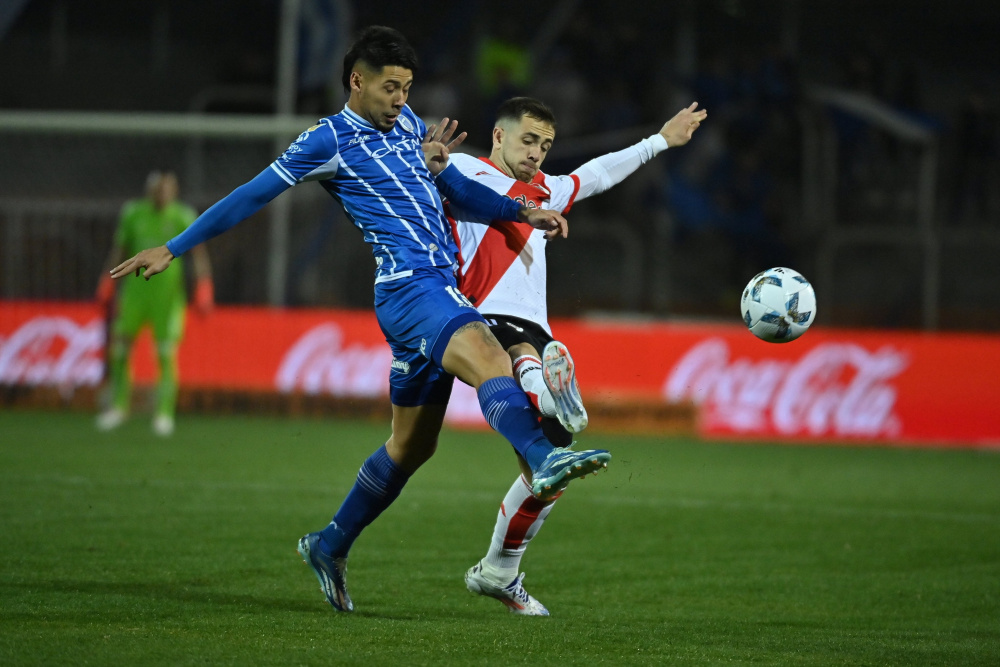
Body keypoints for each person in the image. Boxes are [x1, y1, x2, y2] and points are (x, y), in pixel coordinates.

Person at [109, 26, 612, 613]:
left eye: (407, 87)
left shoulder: (406, 127)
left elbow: (458, 193)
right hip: (410, 288)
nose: (402, 99)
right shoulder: (326, 141)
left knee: (411, 445)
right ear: (357, 81)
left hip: (436, 290)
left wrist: (521, 209)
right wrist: (175, 245)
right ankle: (544, 455)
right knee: (488, 353)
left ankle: (329, 543)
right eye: (392, 87)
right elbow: (250, 194)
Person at [446, 96, 707, 615]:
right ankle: (545, 386)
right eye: (528, 140)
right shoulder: (463, 171)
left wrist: (659, 140)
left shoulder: (547, 189)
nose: (537, 153)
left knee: (550, 469)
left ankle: (499, 570)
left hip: (536, 329)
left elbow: (597, 174)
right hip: (479, 316)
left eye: (545, 145)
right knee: (518, 349)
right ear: (497, 136)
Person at [95, 171, 213, 437]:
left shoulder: (183, 216)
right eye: (158, 190)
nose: (163, 195)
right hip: (135, 294)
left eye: (167, 190)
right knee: (121, 348)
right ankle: (119, 407)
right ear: (150, 191)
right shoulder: (133, 214)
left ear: (174, 191)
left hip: (167, 298)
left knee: (165, 353)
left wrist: (204, 285)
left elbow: (198, 253)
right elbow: (120, 250)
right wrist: (108, 279)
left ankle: (164, 413)